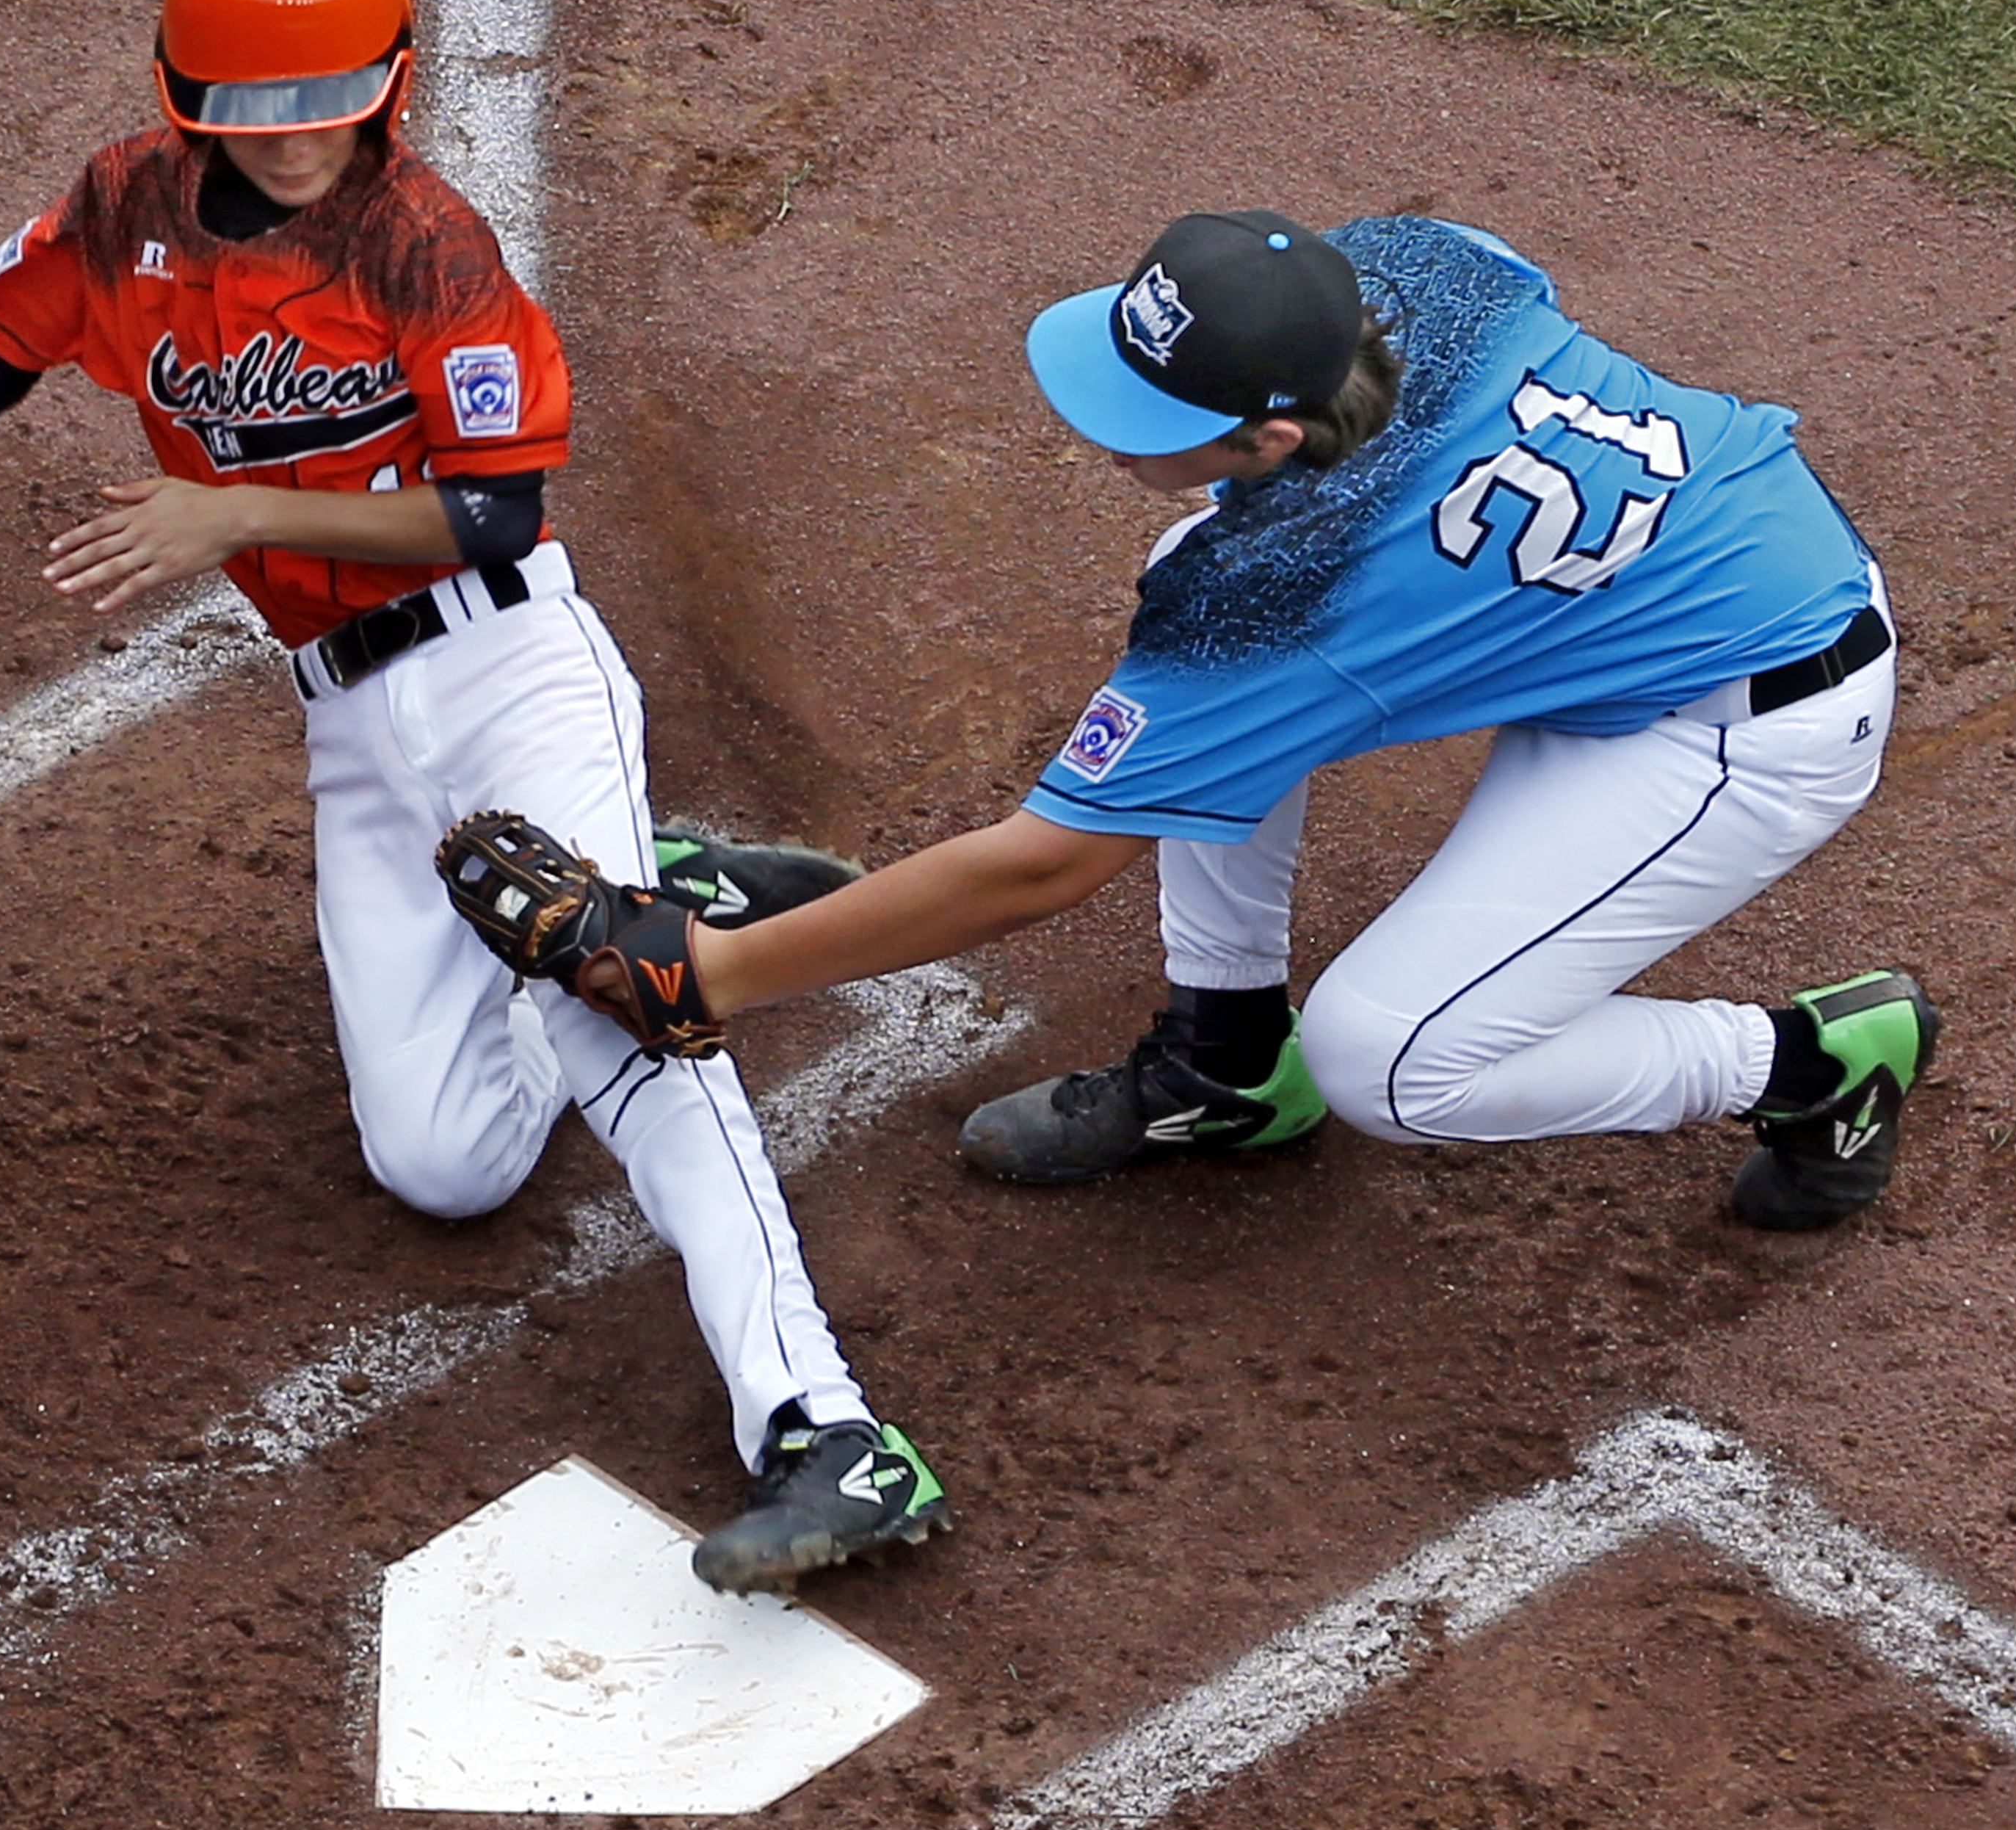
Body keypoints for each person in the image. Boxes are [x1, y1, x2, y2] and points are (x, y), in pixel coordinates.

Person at [0, 0, 946, 1591]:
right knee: (441, 1165)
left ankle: (823, 1427)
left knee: (620, 1006)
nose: (298, 135)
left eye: (331, 98)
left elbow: (501, 513)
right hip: (354, 722)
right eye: (256, 102)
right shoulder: (126, 205)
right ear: (185, 91)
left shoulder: (426, 245)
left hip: (510, 664)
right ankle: (651, 871)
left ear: (384, 78)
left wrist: (232, 516)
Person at [460, 210, 1937, 1231]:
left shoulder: (1296, 583)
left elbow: (1041, 866)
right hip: (1666, 575)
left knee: (1395, 1063)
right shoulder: (1417, 271)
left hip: (1751, 718)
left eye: (1150, 414)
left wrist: (707, 972)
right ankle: (1228, 1063)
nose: (1103, 430)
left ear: (1273, 433)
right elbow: (1508, 302)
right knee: (1201, 603)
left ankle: (1814, 1066)